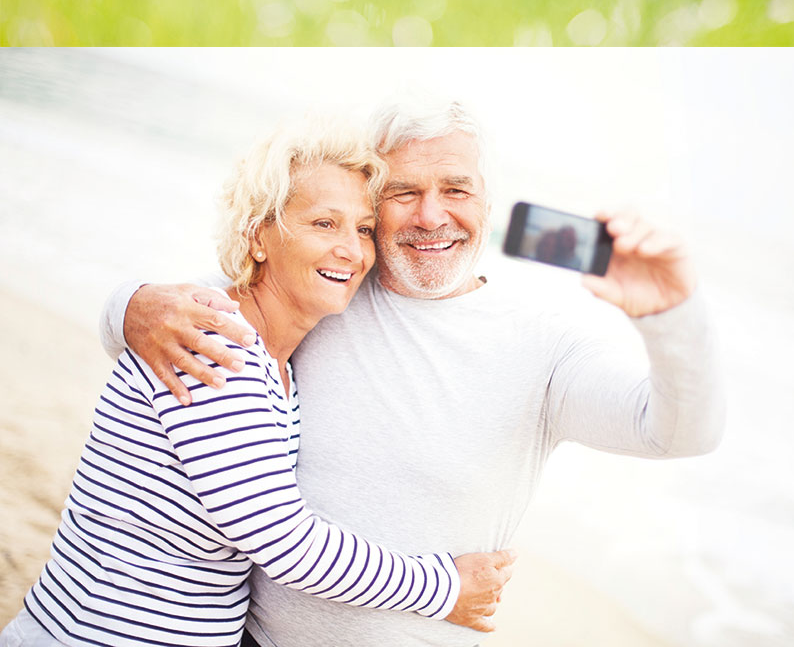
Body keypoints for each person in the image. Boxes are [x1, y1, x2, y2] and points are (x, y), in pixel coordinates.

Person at [98, 99, 726, 647]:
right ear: (375, 200)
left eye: (455, 189)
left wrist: (672, 316)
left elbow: (677, 434)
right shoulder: (332, 285)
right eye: (404, 193)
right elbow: (189, 314)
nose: (431, 216)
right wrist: (130, 303)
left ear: (487, 199)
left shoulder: (545, 342)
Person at [0, 124, 512, 647]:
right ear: (256, 235)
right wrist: (445, 587)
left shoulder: (248, 335)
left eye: (362, 229)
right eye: (323, 223)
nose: (352, 252)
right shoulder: (216, 346)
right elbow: (286, 543)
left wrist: (127, 303)